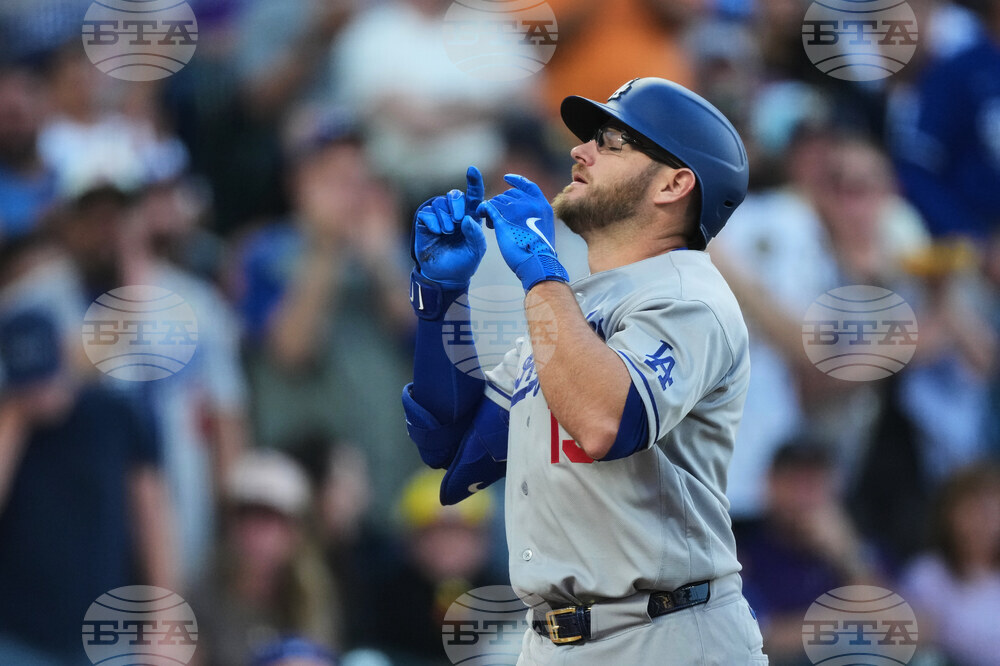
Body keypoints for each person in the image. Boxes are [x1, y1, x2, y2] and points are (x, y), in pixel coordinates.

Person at [402, 77, 767, 663]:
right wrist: (441, 295)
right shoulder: (577, 307)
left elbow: (604, 421)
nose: (580, 150)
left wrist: (542, 275)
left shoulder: (690, 296)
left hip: (666, 632)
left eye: (612, 141)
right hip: (553, 642)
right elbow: (453, 448)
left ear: (675, 184)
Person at [735, 440, 883, 665]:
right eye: (793, 482)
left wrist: (848, 556)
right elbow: (758, 638)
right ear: (769, 484)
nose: (802, 496)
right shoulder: (742, 548)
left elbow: (907, 628)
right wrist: (851, 617)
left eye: (813, 483)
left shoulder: (855, 545)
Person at [898, 463, 1000, 666]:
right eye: (973, 510)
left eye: (992, 511)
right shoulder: (927, 573)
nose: (983, 522)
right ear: (949, 515)